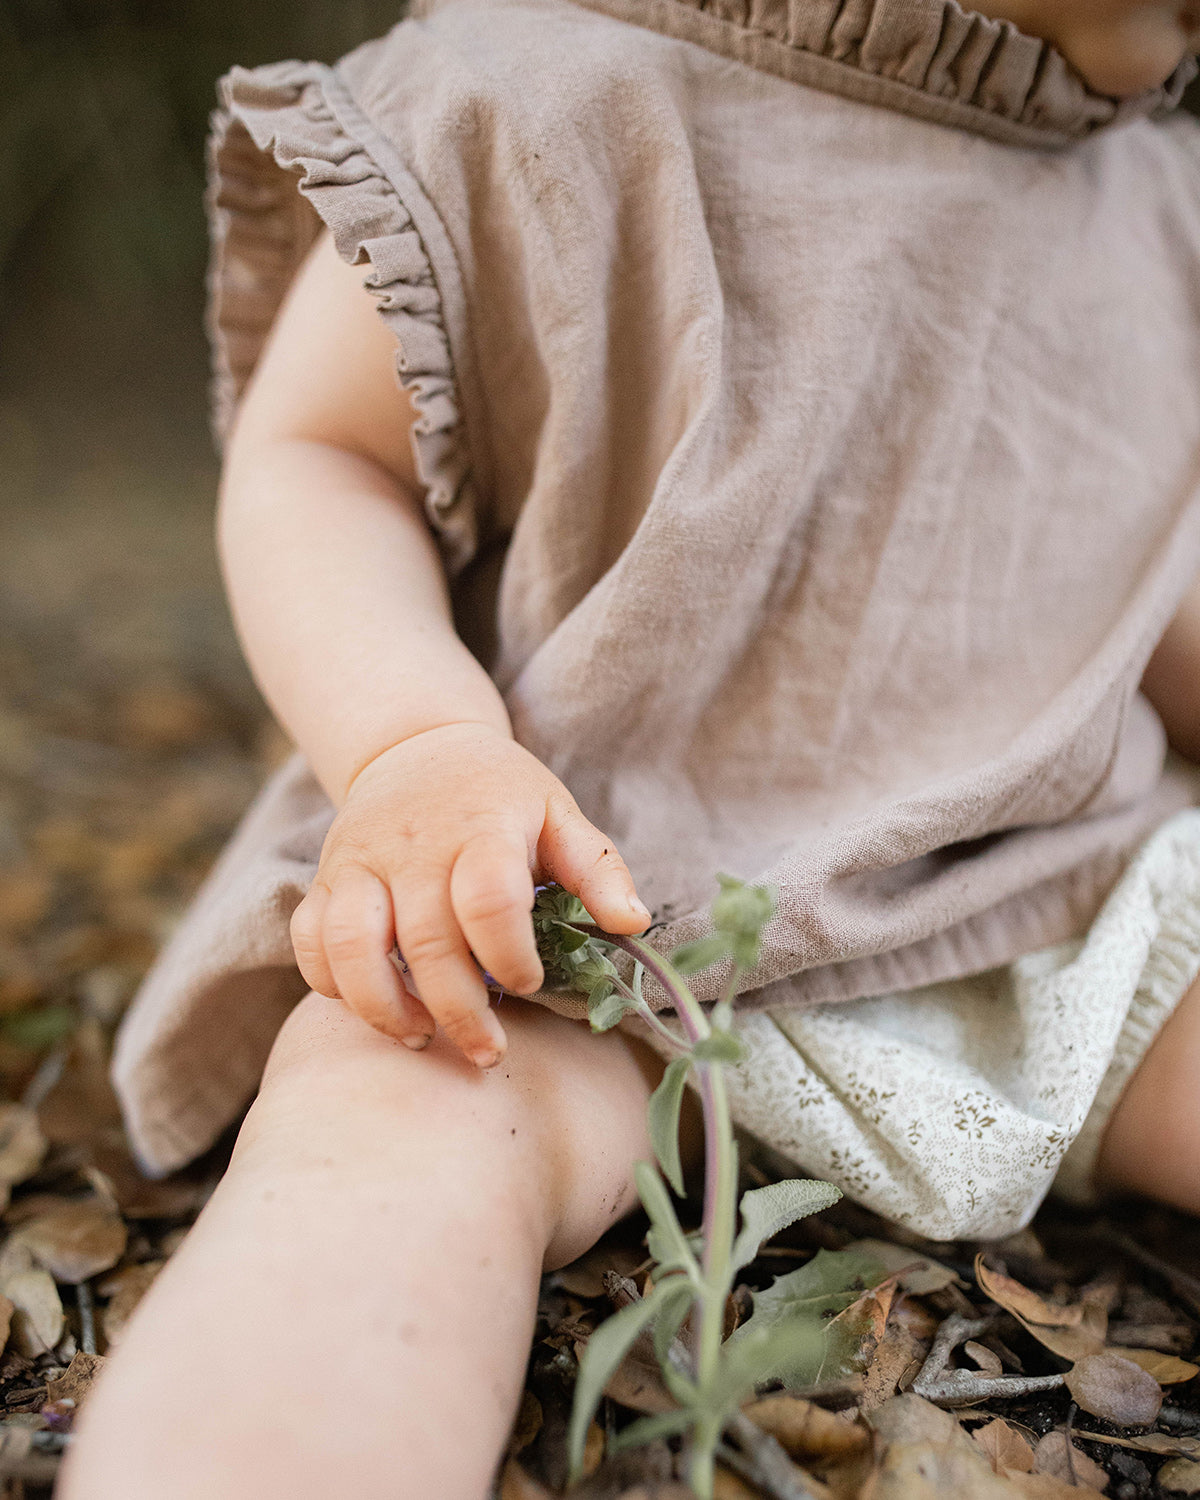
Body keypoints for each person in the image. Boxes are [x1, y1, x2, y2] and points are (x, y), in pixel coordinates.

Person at [60, 0, 1200, 1493]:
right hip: (586, 921)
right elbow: (323, 459)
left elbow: (1149, 581)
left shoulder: (1149, 198)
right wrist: (414, 744)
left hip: (1055, 898)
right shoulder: (530, 94)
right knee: (398, 1121)